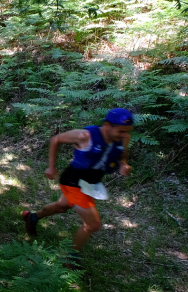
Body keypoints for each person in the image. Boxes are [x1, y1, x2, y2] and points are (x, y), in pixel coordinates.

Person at [22, 108, 134, 260]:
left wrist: (123, 164)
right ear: (107, 125)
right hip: (73, 182)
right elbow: (56, 140)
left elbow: (122, 152)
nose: (125, 135)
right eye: (121, 131)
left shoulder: (122, 138)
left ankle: (32, 217)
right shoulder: (85, 136)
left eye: (127, 131)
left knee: (61, 207)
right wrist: (51, 166)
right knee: (93, 225)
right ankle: (69, 257)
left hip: (91, 183)